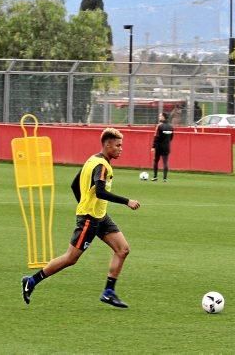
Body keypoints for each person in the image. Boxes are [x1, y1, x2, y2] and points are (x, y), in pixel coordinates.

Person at [21, 128, 141, 308]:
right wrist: (126, 201)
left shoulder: (91, 160)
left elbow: (74, 185)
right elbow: (100, 192)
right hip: (89, 219)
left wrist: (84, 202)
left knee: (123, 249)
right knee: (71, 258)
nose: (120, 149)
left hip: (99, 216)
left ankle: (108, 292)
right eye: (118, 145)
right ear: (107, 145)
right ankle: (32, 281)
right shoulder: (101, 166)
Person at [151, 112, 174, 182]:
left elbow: (156, 137)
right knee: (165, 162)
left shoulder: (159, 126)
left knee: (156, 161)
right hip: (166, 146)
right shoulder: (171, 127)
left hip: (159, 146)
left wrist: (153, 146)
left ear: (163, 117)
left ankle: (155, 177)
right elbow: (171, 138)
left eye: (160, 116)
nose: (159, 117)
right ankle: (165, 178)